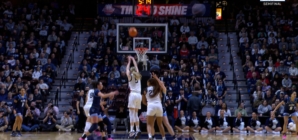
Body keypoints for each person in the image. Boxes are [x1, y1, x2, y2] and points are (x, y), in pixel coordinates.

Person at [149, 74, 177, 140]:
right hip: (159, 108)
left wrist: (156, 78)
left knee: (166, 123)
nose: (162, 84)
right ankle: (154, 137)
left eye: (162, 83)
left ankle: (173, 137)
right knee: (157, 123)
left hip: (160, 109)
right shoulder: (157, 90)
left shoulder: (163, 90)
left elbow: (160, 84)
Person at [126, 56, 142, 139]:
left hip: (133, 94)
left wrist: (129, 62)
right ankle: (138, 129)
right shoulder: (138, 75)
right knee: (135, 113)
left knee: (131, 113)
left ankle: (132, 130)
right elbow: (136, 67)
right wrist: (133, 59)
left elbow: (127, 70)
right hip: (139, 95)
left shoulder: (130, 75)